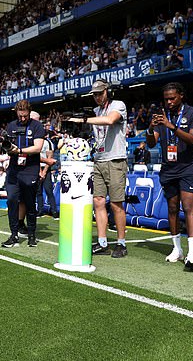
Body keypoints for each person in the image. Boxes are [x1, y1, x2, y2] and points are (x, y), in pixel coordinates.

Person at [67, 79, 128, 258]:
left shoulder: (118, 105)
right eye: (94, 94)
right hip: (99, 159)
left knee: (116, 203)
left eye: (100, 93)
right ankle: (102, 242)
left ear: (108, 91)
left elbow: (110, 120)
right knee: (98, 202)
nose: (97, 97)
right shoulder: (95, 111)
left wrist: (82, 119)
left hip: (115, 159)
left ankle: (121, 243)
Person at [146, 82, 193, 272]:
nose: (169, 102)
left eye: (172, 98)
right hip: (168, 169)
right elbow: (152, 143)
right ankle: (177, 249)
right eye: (166, 99)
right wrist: (149, 128)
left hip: (188, 167)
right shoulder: (161, 116)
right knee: (172, 208)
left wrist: (171, 126)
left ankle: (192, 254)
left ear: (181, 96)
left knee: (188, 206)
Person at [1, 100, 46, 248]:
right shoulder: (11, 126)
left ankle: (32, 234)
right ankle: (14, 234)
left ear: (29, 112)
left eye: (25, 116)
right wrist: (7, 147)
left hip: (30, 169)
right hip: (14, 169)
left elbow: (38, 147)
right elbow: (6, 146)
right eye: (20, 116)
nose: (23, 119)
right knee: (12, 200)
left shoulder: (37, 126)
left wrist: (19, 151)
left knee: (29, 202)